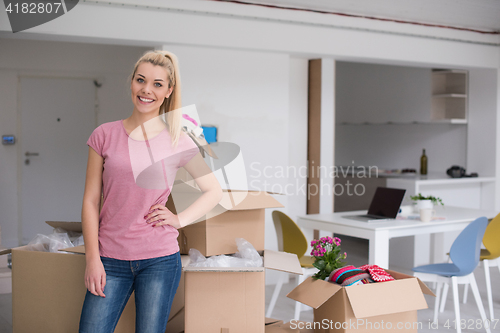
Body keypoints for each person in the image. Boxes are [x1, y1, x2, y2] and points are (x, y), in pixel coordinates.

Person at [79, 50, 222, 332]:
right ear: (131, 82)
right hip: (109, 258)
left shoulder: (178, 141)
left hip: (159, 259)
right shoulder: (104, 135)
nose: (147, 90)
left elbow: (213, 191)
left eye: (157, 84)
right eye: (141, 80)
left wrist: (179, 220)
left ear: (169, 91)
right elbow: (91, 200)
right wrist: (92, 259)